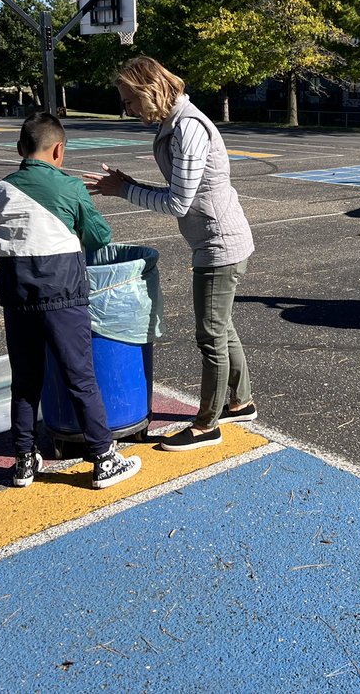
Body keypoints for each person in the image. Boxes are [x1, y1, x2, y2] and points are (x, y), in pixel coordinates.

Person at [84, 56, 256, 452]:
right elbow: (181, 190)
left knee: (210, 333)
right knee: (222, 325)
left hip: (219, 244)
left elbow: (179, 202)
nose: (127, 109)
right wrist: (129, 183)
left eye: (129, 100)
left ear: (149, 90)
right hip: (213, 240)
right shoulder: (172, 123)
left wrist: (123, 190)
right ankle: (241, 401)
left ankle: (206, 424)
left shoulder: (188, 128)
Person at [0, 112, 142, 489]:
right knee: (80, 377)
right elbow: (100, 236)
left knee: (25, 380)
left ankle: (24, 459)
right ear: (59, 150)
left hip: (17, 294)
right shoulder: (70, 188)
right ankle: (103, 457)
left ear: (19, 149)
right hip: (63, 295)